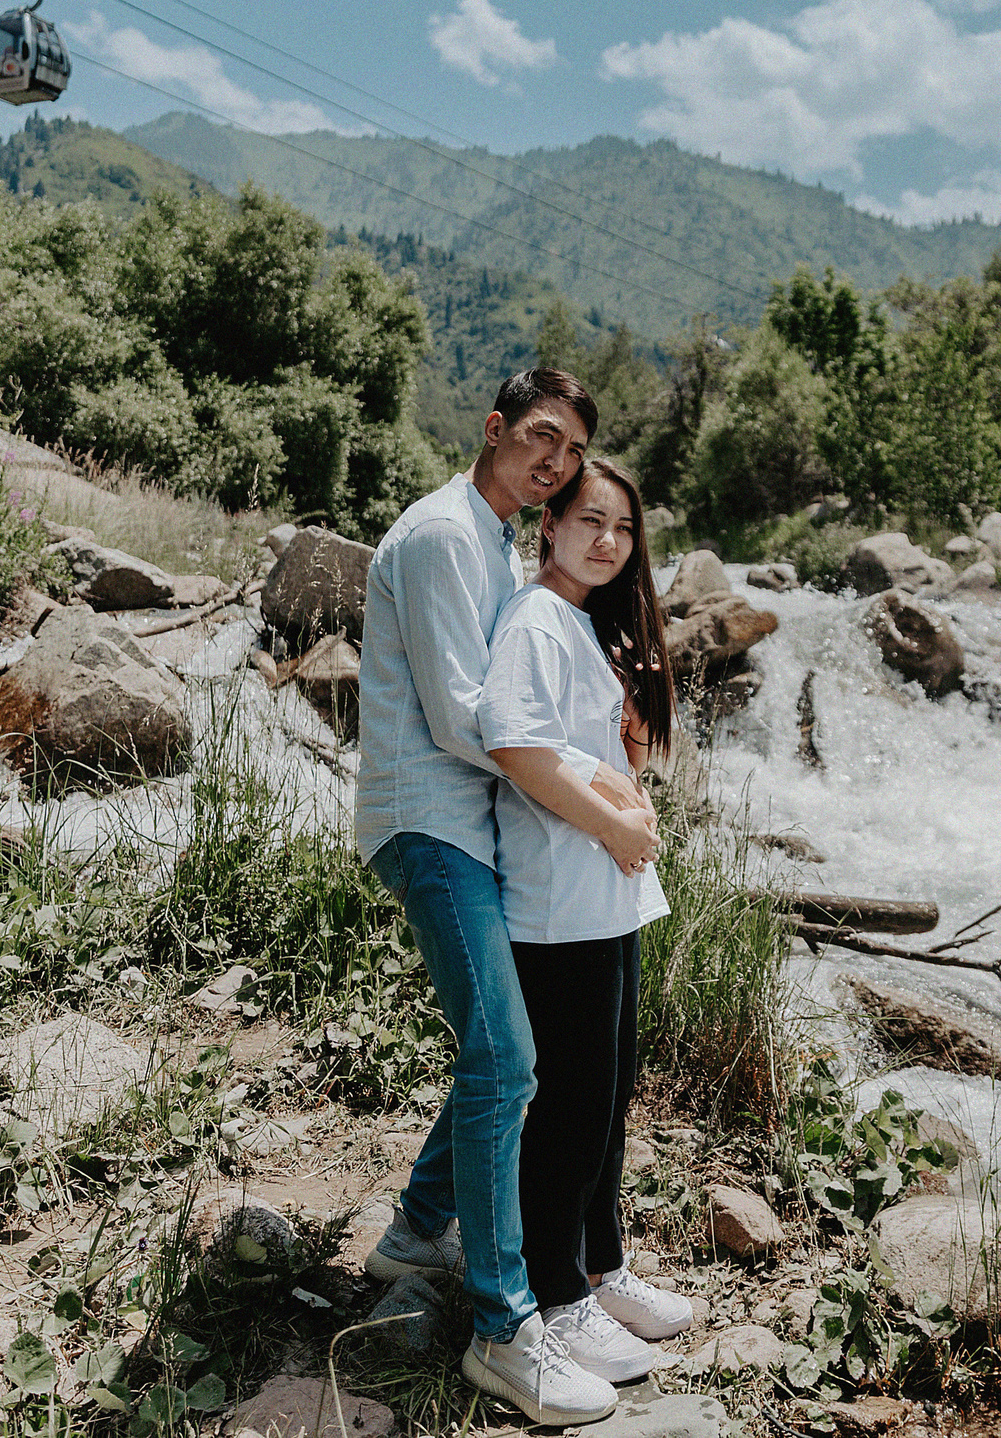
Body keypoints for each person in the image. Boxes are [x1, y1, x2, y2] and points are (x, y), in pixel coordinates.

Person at [352, 370, 654, 1427]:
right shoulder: (443, 535)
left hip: (469, 828)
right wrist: (579, 779)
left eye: (566, 452)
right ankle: (503, 1325)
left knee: (500, 1045)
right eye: (538, 440)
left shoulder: (489, 539)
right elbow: (462, 720)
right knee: (510, 1061)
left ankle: (418, 1229)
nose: (553, 465)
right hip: (429, 824)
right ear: (492, 431)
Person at [479, 458, 699, 1384]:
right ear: (551, 526)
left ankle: (600, 1268)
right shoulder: (534, 619)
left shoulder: (588, 624)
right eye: (590, 521)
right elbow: (515, 743)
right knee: (568, 1103)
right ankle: (555, 1297)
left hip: (609, 896)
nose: (608, 540)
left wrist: (643, 685)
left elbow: (625, 756)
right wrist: (612, 819)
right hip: (558, 899)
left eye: (623, 528)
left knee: (608, 1099)